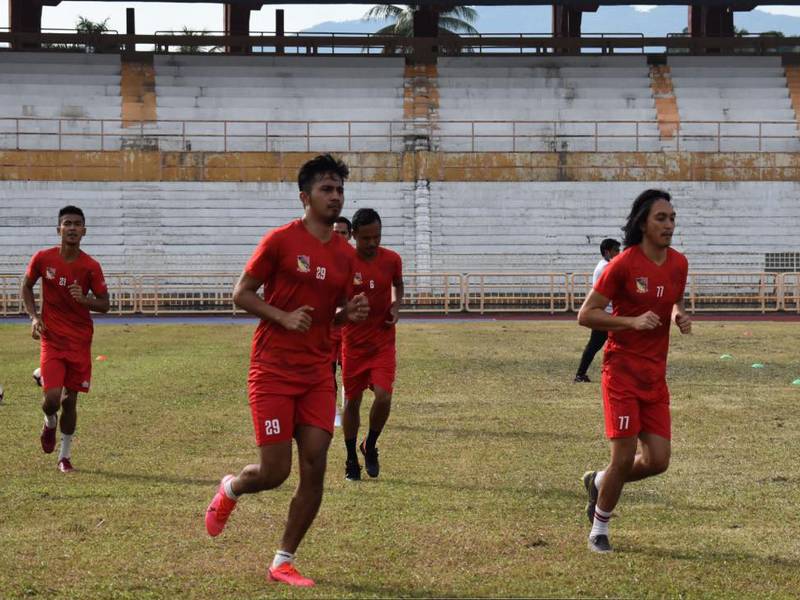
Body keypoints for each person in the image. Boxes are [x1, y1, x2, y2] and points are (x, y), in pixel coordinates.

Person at [204, 154, 369, 588]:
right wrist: (282, 316)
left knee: (315, 465)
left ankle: (283, 561)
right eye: (326, 189)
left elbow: (331, 315)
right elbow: (241, 293)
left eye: (339, 190)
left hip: (317, 373)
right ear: (304, 197)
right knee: (275, 472)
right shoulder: (279, 241)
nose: (335, 197)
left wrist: (347, 314)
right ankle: (231, 489)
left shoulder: (346, 256)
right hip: (273, 369)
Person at [577, 189, 690, 554]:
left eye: (672, 218)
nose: (669, 225)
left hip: (655, 376)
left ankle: (600, 481)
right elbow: (586, 314)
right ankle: (599, 529)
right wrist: (631, 321)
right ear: (643, 223)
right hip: (621, 372)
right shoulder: (623, 264)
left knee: (658, 461)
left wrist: (678, 314)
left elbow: (673, 296)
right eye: (661, 218)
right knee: (623, 457)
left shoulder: (679, 263)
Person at [20, 205, 110, 473]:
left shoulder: (91, 266)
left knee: (70, 402)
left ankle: (65, 456)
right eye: (67, 223)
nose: (72, 228)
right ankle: (49, 422)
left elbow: (105, 304)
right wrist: (34, 317)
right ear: (58, 229)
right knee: (53, 400)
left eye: (77, 224)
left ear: (84, 231)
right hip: (52, 339)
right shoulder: (43, 258)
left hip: (80, 342)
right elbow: (26, 285)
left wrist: (85, 299)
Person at [341, 208, 404, 481]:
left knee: (384, 396)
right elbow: (334, 301)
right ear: (354, 235)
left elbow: (398, 285)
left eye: (376, 237)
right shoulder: (343, 263)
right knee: (352, 401)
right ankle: (351, 458)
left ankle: (370, 445)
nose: (372, 243)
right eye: (366, 238)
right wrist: (347, 311)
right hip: (354, 345)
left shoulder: (392, 259)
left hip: (382, 342)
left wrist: (396, 305)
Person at [574, 238, 621, 383]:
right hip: (605, 313)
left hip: (606, 312)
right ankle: (581, 374)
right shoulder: (606, 267)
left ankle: (581, 374)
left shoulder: (604, 265)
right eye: (616, 250)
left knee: (598, 344)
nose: (619, 253)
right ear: (607, 252)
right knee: (596, 344)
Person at [331, 216, 352, 427]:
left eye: (343, 233)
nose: (338, 236)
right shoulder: (318, 256)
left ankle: (347, 411)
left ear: (350, 235)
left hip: (350, 327)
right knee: (327, 372)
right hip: (328, 327)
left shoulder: (357, 260)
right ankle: (333, 411)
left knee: (349, 372)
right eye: (335, 232)